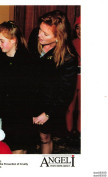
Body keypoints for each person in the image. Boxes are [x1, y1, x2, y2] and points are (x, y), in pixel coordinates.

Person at [29, 10, 78, 154]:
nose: (39, 35)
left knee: (44, 137)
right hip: (31, 97)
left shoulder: (69, 57)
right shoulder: (35, 38)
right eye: (40, 30)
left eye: (45, 34)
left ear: (58, 37)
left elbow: (66, 92)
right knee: (26, 138)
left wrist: (48, 113)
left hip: (50, 103)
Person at [0, 21, 33, 154]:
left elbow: (31, 90)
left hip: (20, 114)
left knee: (18, 150)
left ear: (13, 40)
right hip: (3, 112)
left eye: (2, 41)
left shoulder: (27, 60)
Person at [66, 16, 81, 134]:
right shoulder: (72, 44)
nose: (80, 31)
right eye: (78, 28)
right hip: (73, 78)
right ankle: (68, 131)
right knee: (69, 107)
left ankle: (81, 132)